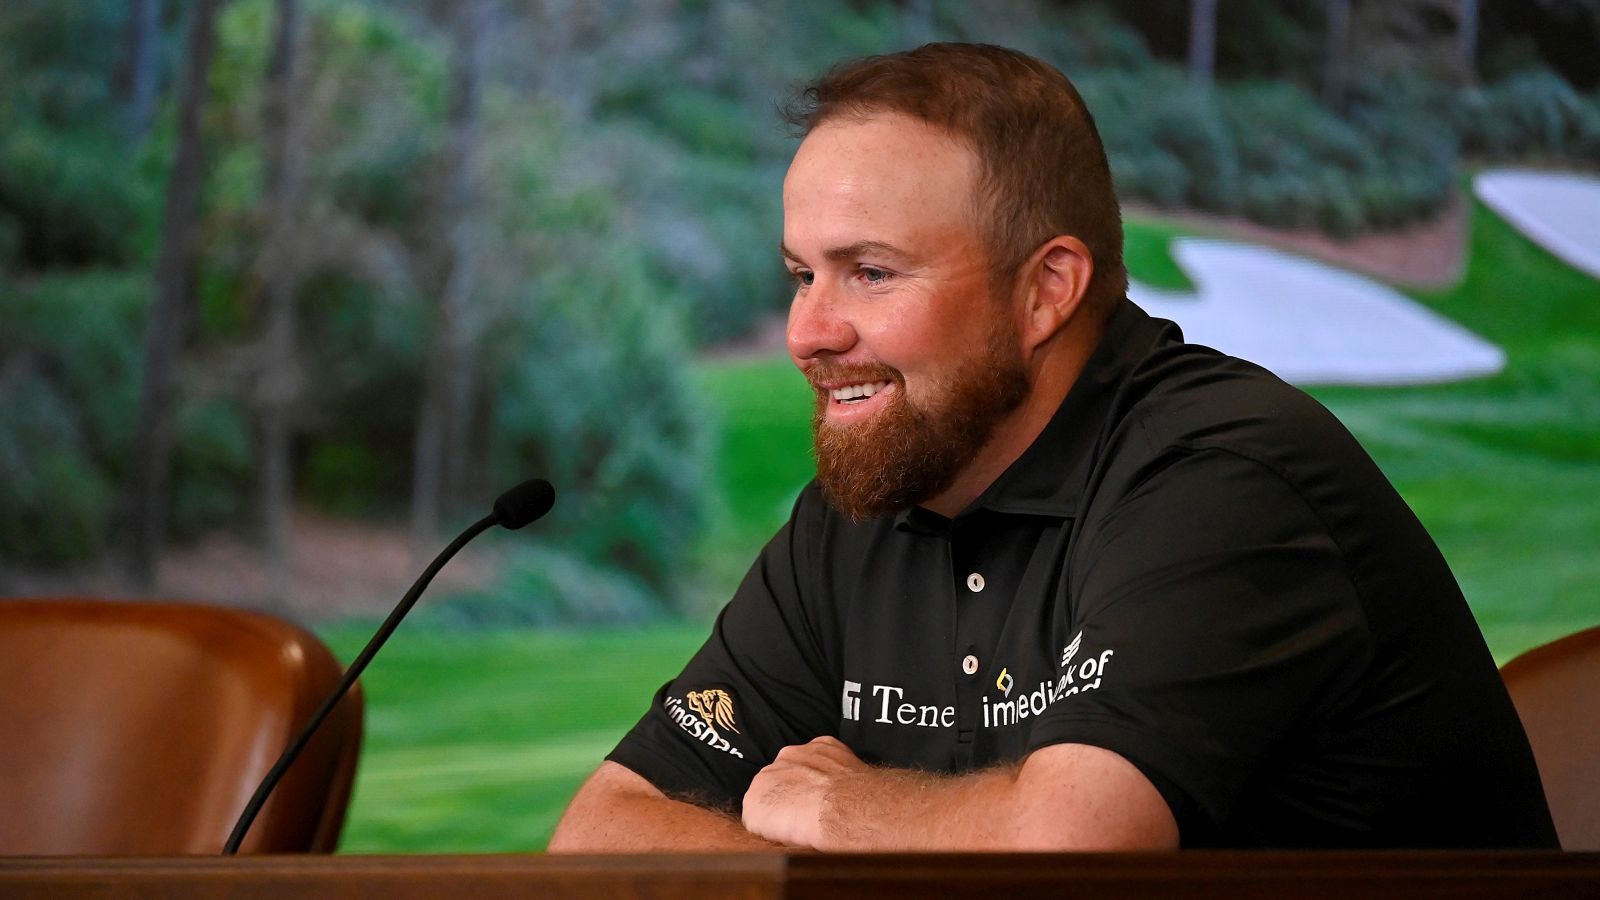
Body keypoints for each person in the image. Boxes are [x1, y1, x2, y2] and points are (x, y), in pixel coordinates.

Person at [547, 43, 1556, 852]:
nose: (808, 331)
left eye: (869, 273)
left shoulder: (1221, 475)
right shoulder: (870, 506)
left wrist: (839, 812)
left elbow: (1074, 846)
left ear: (1046, 291)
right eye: (801, 274)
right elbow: (604, 832)